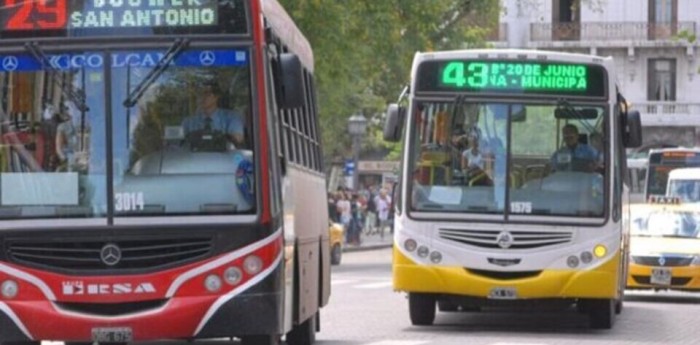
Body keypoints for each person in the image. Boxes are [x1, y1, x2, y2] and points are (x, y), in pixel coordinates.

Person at [181, 81, 245, 148]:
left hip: (224, 157)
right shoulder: (188, 122)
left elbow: (238, 140)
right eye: (199, 94)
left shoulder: (232, 117)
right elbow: (179, 145)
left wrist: (222, 137)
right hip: (195, 157)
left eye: (206, 94)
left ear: (216, 97)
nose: (202, 97)